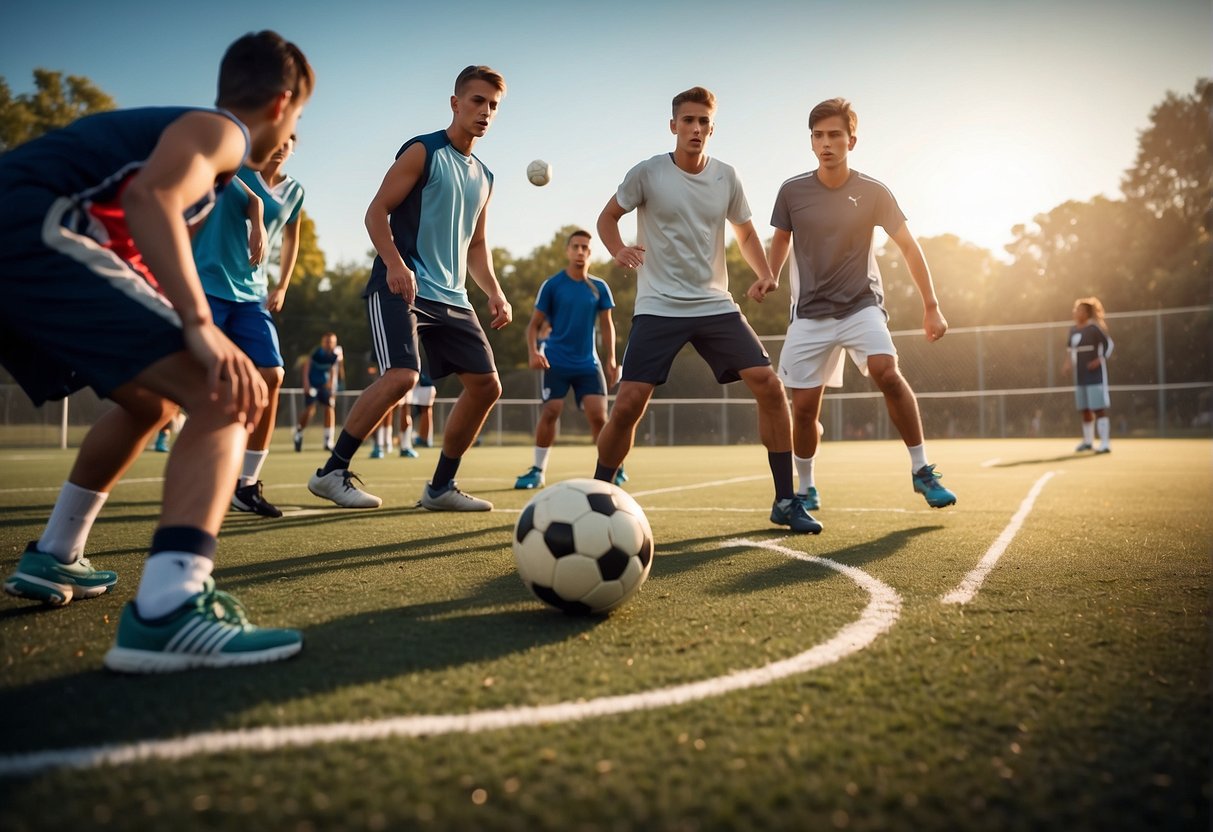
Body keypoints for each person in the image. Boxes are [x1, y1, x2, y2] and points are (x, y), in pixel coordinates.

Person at [0, 31, 313, 672]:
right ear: (281, 104)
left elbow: (135, 235)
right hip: (32, 231)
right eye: (299, 116)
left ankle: (55, 553)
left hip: (27, 240)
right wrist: (200, 326)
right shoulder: (220, 131)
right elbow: (151, 200)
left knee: (147, 401)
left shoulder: (184, 148)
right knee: (228, 388)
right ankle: (171, 607)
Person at [594, 86, 820, 534]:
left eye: (703, 123)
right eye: (688, 121)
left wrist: (766, 272)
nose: (695, 129)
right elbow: (607, 217)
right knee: (628, 405)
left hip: (715, 303)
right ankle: (597, 495)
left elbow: (747, 234)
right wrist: (618, 250)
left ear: (711, 129)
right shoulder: (647, 173)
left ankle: (785, 500)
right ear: (673, 125)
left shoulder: (727, 177)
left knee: (770, 387)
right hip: (658, 305)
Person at [306, 65, 512, 511]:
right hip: (404, 285)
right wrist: (396, 264)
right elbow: (375, 211)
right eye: (477, 101)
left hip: (453, 297)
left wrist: (494, 291)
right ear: (456, 103)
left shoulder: (486, 177)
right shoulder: (423, 151)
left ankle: (440, 487)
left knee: (487, 386)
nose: (485, 112)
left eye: (494, 106)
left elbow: (476, 245)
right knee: (402, 375)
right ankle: (331, 472)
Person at [767, 97, 957, 511]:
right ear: (811, 142)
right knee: (802, 410)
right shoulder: (792, 191)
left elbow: (908, 246)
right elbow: (781, 238)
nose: (826, 143)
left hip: (860, 305)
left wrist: (931, 305)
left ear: (852, 139)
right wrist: (771, 274)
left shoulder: (873, 191)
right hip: (810, 314)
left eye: (835, 134)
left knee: (886, 372)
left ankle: (921, 470)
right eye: (818, 136)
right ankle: (806, 486)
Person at [192, 133, 305, 518]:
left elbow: (292, 237)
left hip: (250, 294)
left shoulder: (295, 192)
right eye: (276, 137)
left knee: (272, 374)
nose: (282, 143)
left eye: (290, 138)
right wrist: (255, 206)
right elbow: (207, 164)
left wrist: (283, 284)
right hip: (205, 284)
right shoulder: (235, 168)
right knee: (193, 383)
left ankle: (246, 485)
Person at [514, 229, 621, 489]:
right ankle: (538, 470)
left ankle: (610, 469)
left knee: (599, 417)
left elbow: (607, 326)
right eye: (575, 246)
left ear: (590, 253)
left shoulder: (599, 288)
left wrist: (611, 359)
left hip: (588, 363)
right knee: (551, 411)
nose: (580, 252)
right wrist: (533, 351)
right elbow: (533, 325)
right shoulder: (552, 285)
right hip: (556, 360)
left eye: (585, 247)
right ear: (567, 250)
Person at [1063, 296, 1114, 453]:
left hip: (1094, 376)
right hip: (1080, 377)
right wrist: (1067, 364)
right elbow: (1070, 351)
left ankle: (1105, 443)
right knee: (1084, 409)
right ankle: (1088, 442)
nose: (1075, 312)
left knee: (1098, 409)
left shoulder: (1093, 329)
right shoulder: (1073, 330)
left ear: (1085, 313)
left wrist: (1099, 360)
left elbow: (1108, 345)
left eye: (1078, 310)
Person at [293, 331, 342, 452]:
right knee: (310, 410)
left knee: (329, 407)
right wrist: (306, 384)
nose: (328, 344)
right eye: (326, 341)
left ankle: (328, 441)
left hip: (324, 386)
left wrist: (331, 389)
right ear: (322, 342)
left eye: (331, 342)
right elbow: (306, 367)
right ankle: (298, 433)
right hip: (312, 385)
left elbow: (333, 372)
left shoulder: (334, 356)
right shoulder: (316, 353)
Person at [411, 372, 437, 448]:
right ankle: (426, 438)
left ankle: (424, 438)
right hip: (423, 385)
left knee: (425, 411)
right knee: (425, 411)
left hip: (425, 385)